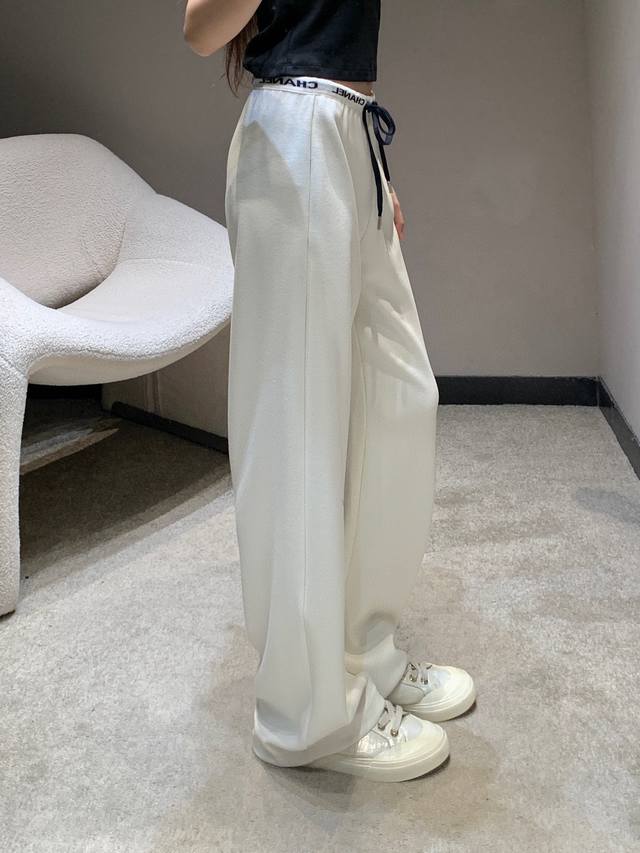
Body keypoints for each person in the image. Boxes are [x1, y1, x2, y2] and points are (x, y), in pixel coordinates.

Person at [183, 0, 476, 782]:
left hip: (347, 128)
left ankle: (361, 650)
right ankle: (304, 716)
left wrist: (368, 164)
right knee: (299, 427)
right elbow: (201, 28)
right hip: (295, 132)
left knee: (399, 397)